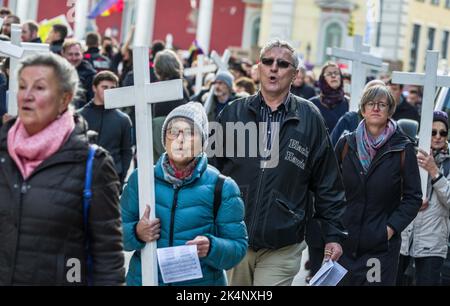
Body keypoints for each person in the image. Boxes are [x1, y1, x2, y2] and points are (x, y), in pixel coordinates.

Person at [211, 40, 347, 286]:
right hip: (234, 235)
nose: (274, 68)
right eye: (267, 61)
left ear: (294, 74)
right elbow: (209, 172)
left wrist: (334, 235)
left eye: (282, 64)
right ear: (258, 68)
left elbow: (328, 182)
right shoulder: (233, 112)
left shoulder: (310, 118)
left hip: (283, 241)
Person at [0, 53, 124, 285]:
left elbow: (107, 257)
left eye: (39, 88)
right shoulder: (3, 153)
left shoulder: (92, 164)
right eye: (23, 86)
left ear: (64, 99)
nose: (27, 96)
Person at [121, 102, 248, 286]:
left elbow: (238, 248)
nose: (180, 139)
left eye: (190, 133)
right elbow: (114, 234)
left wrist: (211, 247)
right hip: (145, 281)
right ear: (165, 140)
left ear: (203, 143)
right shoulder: (140, 180)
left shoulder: (223, 187)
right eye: (173, 132)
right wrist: (136, 232)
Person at [335, 84, 422, 286]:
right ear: (363, 109)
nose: (376, 108)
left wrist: (389, 229)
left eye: (382, 104)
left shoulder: (402, 147)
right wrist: (333, 226)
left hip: (380, 250)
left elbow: (413, 197)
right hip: (344, 244)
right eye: (371, 103)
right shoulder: (346, 144)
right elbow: (329, 189)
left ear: (390, 110)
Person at [399, 111, 450, 285]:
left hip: (432, 240)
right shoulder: (408, 153)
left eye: (442, 133)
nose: (437, 137)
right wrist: (409, 200)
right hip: (403, 235)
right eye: (433, 132)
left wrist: (434, 172)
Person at [78, 71, 133, 186]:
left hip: (112, 179)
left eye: (112, 88)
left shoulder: (123, 119)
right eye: (104, 87)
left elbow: (126, 151)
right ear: (94, 88)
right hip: (84, 177)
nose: (108, 91)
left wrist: (121, 178)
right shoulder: (79, 117)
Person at [309, 62, 349, 132]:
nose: (333, 76)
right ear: (323, 79)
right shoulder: (312, 104)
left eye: (336, 73)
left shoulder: (349, 103)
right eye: (329, 74)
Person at [62, 40, 97, 108]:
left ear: (82, 55)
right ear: (63, 54)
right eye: (70, 54)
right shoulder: (55, 71)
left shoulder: (90, 75)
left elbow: (93, 102)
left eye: (77, 54)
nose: (74, 58)